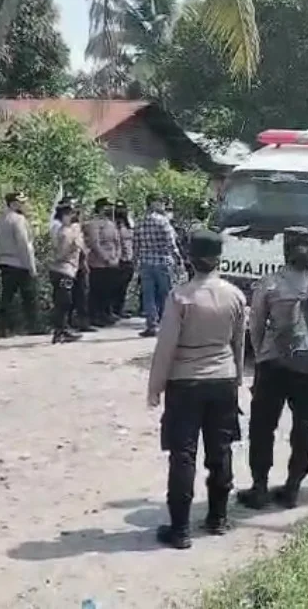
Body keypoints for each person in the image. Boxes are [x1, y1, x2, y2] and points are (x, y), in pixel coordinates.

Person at [147, 230, 247, 548]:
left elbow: (165, 348)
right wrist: (237, 377)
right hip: (223, 380)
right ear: (219, 259)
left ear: (190, 258)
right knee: (221, 451)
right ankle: (218, 518)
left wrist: (155, 386)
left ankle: (180, 530)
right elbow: (238, 343)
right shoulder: (235, 296)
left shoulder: (180, 297)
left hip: (185, 383)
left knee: (183, 455)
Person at [239, 227, 308, 510]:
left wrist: (262, 355)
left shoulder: (269, 284)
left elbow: (256, 325)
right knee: (306, 427)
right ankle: (293, 487)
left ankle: (259, 487)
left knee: (262, 427)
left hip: (273, 365)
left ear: (285, 252)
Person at [134, 194, 182, 338]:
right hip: (163, 261)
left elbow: (136, 245)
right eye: (160, 202)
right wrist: (178, 259)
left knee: (148, 296)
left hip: (146, 262)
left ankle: (151, 325)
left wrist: (135, 261)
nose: (162, 205)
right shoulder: (163, 222)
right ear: (153, 203)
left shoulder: (139, 222)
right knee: (166, 294)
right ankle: (167, 324)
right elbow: (171, 243)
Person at [0, 191, 38, 336]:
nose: (24, 205)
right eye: (22, 202)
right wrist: (30, 266)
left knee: (7, 297)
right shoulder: (18, 219)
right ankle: (33, 326)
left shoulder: (1, 219)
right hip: (19, 262)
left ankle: (3, 327)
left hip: (5, 261)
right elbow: (23, 244)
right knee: (29, 296)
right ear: (13, 204)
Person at [48, 204, 85, 344]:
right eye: (70, 214)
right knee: (64, 302)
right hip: (64, 270)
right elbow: (61, 253)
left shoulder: (59, 230)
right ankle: (61, 330)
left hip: (62, 270)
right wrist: (74, 247)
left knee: (62, 301)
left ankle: (60, 330)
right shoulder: (66, 232)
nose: (73, 217)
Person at [83, 198, 122, 326]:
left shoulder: (112, 223)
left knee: (109, 289)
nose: (110, 209)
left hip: (112, 261)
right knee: (98, 289)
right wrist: (105, 258)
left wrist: (116, 257)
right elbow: (95, 243)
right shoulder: (94, 223)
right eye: (106, 207)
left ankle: (107, 313)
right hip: (98, 262)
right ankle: (95, 315)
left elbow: (117, 242)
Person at [112, 200, 135, 318]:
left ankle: (119, 309)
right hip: (117, 259)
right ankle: (113, 310)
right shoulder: (112, 224)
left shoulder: (129, 224)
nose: (121, 211)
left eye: (122, 209)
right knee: (114, 286)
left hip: (129, 258)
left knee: (123, 286)